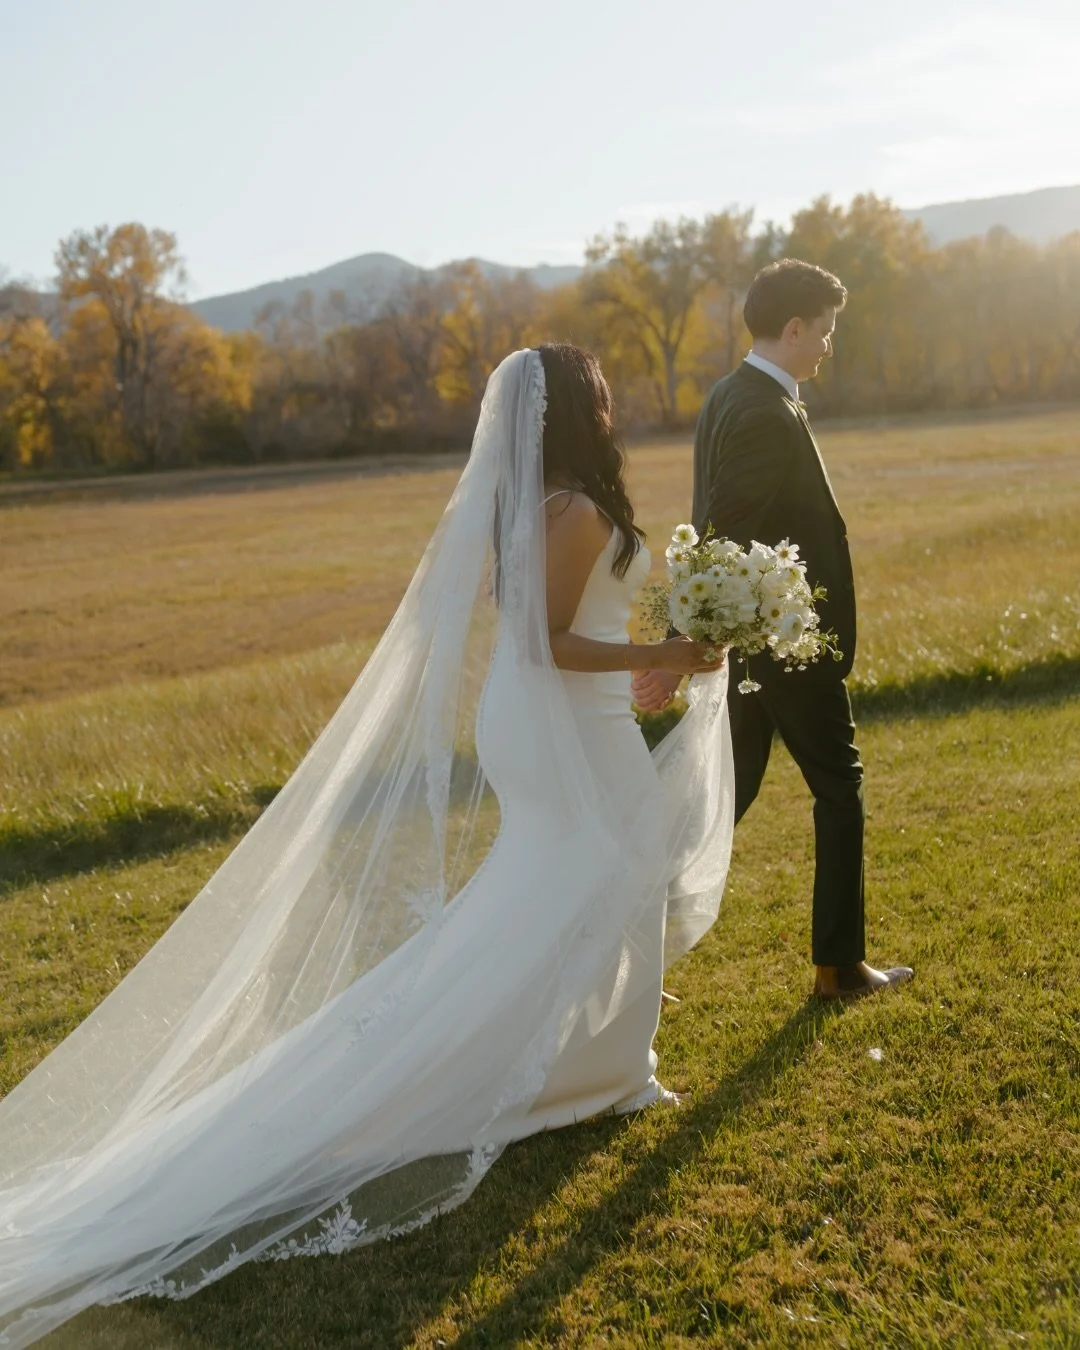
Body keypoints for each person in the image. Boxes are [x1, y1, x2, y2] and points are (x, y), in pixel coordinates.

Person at [0, 345, 735, 1347]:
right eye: (599, 388)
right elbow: (542, 641)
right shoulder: (568, 508)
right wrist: (665, 652)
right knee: (607, 867)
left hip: (567, 714)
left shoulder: (554, 501)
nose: (612, 399)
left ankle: (592, 1063)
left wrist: (645, 668)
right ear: (577, 405)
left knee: (580, 876)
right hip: (558, 715)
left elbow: (559, 626)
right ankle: (588, 1073)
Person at [633, 260, 914, 1001]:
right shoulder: (761, 409)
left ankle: (623, 947)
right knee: (839, 787)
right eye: (822, 333)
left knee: (725, 798)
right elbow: (721, 537)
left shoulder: (732, 392)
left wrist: (683, 642)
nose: (827, 347)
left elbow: (708, 536)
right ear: (792, 329)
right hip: (786, 648)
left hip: (754, 651)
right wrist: (677, 651)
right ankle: (838, 966)